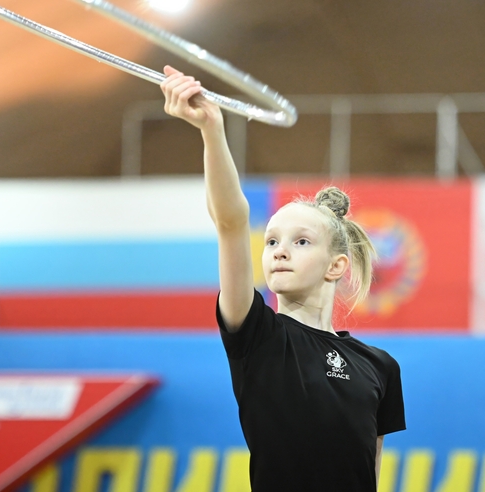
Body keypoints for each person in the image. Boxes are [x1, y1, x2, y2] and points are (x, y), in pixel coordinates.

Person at [160, 66, 406, 491]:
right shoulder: (257, 332)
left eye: (301, 242)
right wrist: (212, 130)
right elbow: (231, 221)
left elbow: (372, 470)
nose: (279, 251)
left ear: (336, 267)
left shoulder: (380, 367)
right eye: (272, 241)